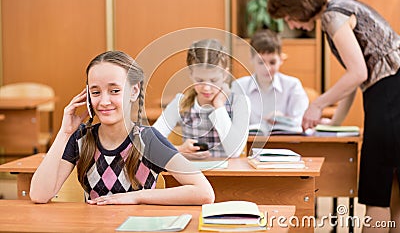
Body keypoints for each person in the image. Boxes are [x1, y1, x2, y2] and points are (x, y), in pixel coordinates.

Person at [268, 0, 400, 232]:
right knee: (394, 191)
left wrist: (317, 104)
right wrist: (336, 121)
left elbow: (358, 73)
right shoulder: (343, 3)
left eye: (287, 17)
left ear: (297, 6)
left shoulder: (331, 15)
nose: (291, 24)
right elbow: (354, 77)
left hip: (389, 96)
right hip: (392, 92)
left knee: (377, 194)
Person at [30, 51, 215, 205]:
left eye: (115, 91)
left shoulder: (147, 140)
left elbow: (204, 192)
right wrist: (65, 133)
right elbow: (39, 195)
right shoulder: (80, 138)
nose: (104, 101)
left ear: (134, 91)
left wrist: (137, 197)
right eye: (95, 92)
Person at [153, 39, 250, 160]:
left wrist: (218, 105)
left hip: (228, 176)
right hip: (190, 176)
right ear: (191, 74)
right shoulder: (181, 103)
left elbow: (234, 151)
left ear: (225, 75)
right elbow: (150, 141)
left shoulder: (239, 102)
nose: (207, 88)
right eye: (199, 80)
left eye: (213, 80)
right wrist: (179, 150)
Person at [231, 29, 309, 135]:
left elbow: (300, 122)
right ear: (251, 59)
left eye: (272, 62)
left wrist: (283, 119)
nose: (267, 68)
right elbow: (233, 124)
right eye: (261, 62)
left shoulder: (293, 86)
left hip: (285, 145)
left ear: (281, 60)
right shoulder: (239, 86)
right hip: (249, 145)